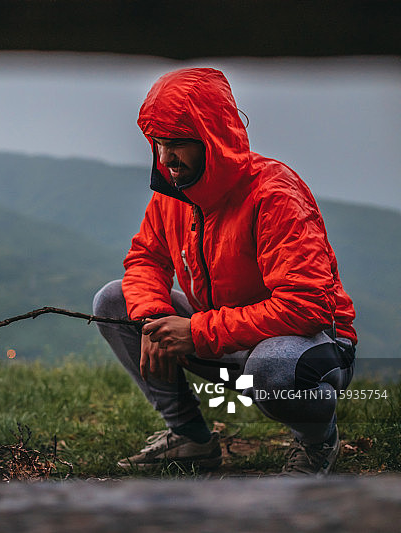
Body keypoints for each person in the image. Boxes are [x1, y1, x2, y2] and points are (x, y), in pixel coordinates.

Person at [93, 68, 357, 475]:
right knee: (112, 301)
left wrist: (195, 331)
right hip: (228, 344)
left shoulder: (273, 194)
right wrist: (153, 320)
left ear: (211, 140)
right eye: (158, 143)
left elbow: (307, 307)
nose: (166, 159)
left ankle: (318, 442)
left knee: (275, 368)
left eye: (178, 144)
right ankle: (189, 437)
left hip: (307, 349)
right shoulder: (174, 193)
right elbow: (146, 258)